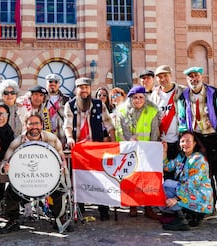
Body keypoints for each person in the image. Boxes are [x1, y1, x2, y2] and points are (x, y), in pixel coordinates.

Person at [178, 66, 217, 228]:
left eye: (196, 76)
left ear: (201, 77)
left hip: (214, 138)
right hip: (197, 140)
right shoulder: (184, 96)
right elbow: (182, 118)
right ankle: (210, 208)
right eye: (190, 77)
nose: (193, 79)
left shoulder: (214, 93)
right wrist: (185, 136)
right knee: (204, 177)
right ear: (187, 80)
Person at [0, 113, 72, 233]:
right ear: (26, 126)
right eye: (31, 123)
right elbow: (5, 161)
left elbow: (61, 157)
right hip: (24, 179)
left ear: (42, 125)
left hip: (47, 178)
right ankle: (13, 221)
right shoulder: (17, 142)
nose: (34, 126)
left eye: (37, 123)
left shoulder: (52, 138)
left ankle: (59, 218)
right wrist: (5, 167)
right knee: (10, 193)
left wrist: (63, 164)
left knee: (59, 191)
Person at [64, 77, 115, 221]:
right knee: (78, 179)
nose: (84, 90)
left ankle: (103, 208)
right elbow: (67, 124)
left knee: (101, 178)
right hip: (79, 149)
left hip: (96, 148)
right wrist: (69, 137)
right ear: (76, 89)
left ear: (90, 89)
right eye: (81, 87)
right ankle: (79, 207)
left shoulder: (99, 104)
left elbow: (109, 124)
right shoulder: (70, 105)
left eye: (86, 87)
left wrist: (113, 140)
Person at [116, 85, 160, 219]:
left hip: (147, 150)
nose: (138, 100)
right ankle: (132, 205)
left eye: (141, 97)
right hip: (130, 150)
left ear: (145, 98)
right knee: (131, 178)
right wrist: (128, 140)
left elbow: (155, 131)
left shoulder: (152, 111)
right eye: (135, 98)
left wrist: (153, 149)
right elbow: (119, 131)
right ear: (130, 99)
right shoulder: (122, 111)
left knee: (147, 179)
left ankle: (148, 207)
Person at [160, 131, 213, 231]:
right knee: (164, 189)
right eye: (182, 141)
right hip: (188, 192)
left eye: (188, 141)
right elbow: (167, 167)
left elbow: (192, 183)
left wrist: (176, 199)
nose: (185, 144)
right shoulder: (182, 157)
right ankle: (183, 215)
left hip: (199, 197)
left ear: (194, 143)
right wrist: (165, 151)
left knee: (168, 185)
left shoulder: (198, 159)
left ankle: (182, 219)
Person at [150, 65, 185, 179]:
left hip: (178, 141)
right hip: (161, 142)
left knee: (179, 173)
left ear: (171, 75)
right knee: (163, 174)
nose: (163, 79)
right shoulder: (154, 95)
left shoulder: (182, 91)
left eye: (165, 76)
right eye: (160, 77)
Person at [44, 73, 71, 145]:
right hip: (45, 134)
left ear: (59, 84)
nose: (53, 84)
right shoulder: (41, 98)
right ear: (46, 83)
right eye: (50, 82)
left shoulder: (66, 99)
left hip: (61, 135)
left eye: (55, 82)